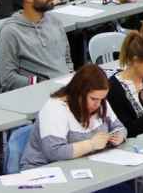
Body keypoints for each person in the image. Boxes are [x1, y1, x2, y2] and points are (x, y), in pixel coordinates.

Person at [19, 64, 130, 193]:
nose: (98, 104)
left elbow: (119, 127)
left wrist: (119, 136)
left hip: (84, 167)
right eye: (93, 99)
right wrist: (91, 144)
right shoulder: (55, 108)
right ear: (79, 93)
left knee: (123, 188)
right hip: (46, 173)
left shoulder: (99, 101)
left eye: (102, 99)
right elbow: (54, 152)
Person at [0, 0, 71, 91]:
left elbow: (67, 59)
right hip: (38, 92)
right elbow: (7, 79)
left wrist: (71, 79)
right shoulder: (10, 32)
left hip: (66, 88)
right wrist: (39, 83)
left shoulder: (55, 21)